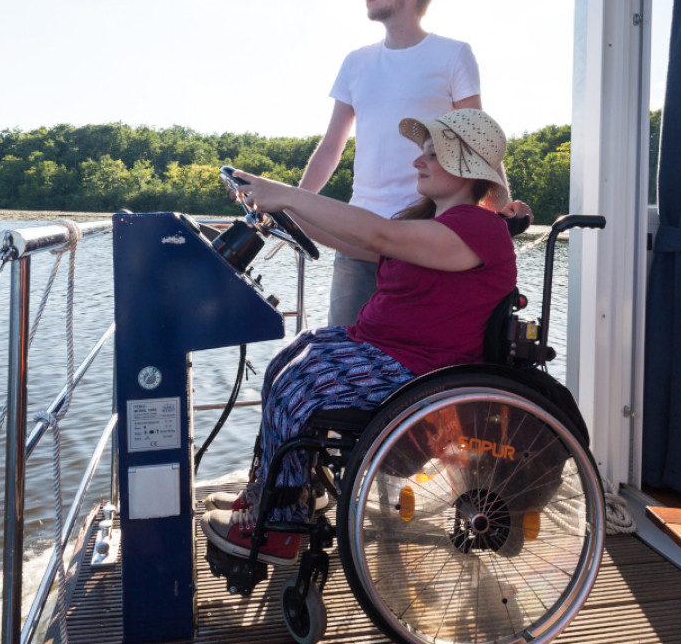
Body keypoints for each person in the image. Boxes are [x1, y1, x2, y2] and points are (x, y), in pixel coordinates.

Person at [201, 108, 518, 565]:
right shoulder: (435, 221)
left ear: (466, 165)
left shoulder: (480, 228)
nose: (418, 161)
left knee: (301, 386)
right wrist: (280, 210)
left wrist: (285, 193)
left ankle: (280, 524)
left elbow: (376, 236)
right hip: (386, 350)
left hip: (417, 370)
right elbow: (357, 241)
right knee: (290, 360)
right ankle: (279, 490)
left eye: (433, 154)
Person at [299, 0, 511, 327]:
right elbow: (331, 146)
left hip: (427, 236)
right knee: (342, 352)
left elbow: (476, 139)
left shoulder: (453, 55)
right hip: (358, 236)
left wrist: (500, 212)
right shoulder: (355, 62)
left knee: (414, 366)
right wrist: (297, 204)